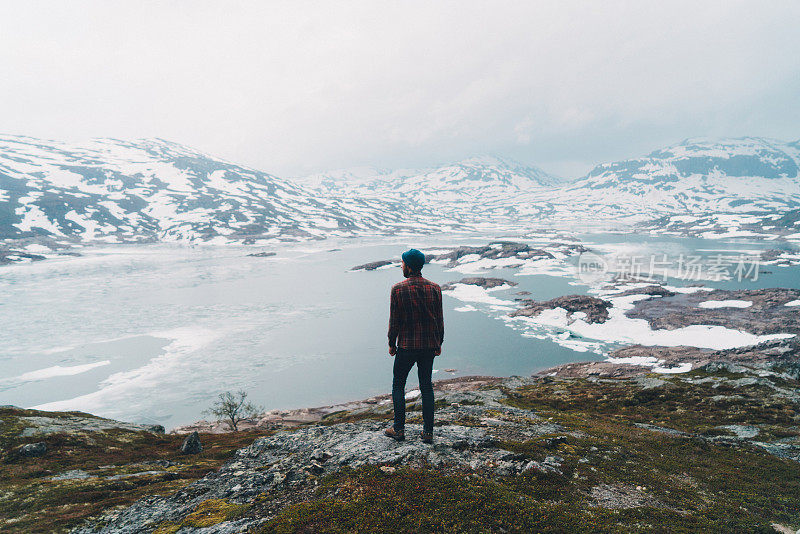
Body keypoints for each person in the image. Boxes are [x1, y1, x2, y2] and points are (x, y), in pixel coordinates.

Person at [384, 248, 444, 444]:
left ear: (408, 266)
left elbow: (395, 322)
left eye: (402, 263)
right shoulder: (435, 288)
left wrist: (392, 344)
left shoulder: (398, 289)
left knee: (398, 385)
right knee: (426, 387)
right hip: (428, 346)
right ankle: (427, 432)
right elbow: (439, 320)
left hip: (407, 347)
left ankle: (399, 429)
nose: (401, 266)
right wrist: (439, 342)